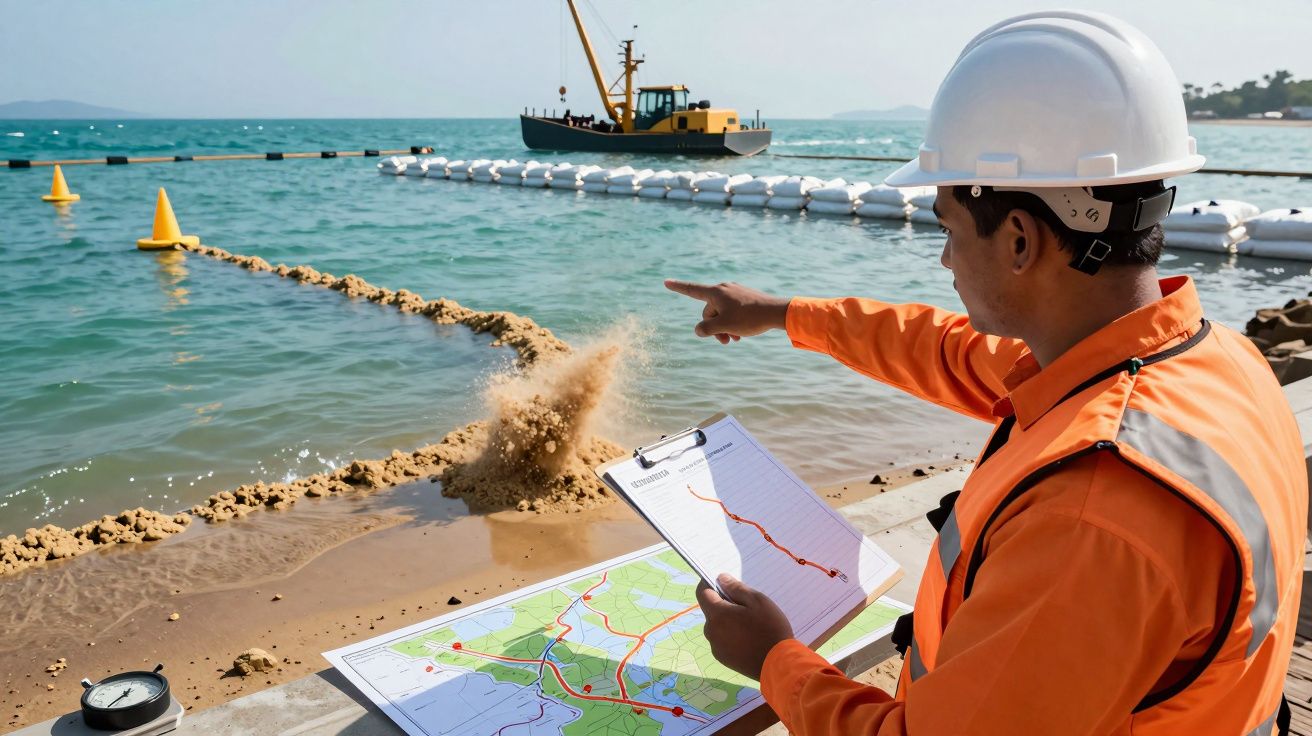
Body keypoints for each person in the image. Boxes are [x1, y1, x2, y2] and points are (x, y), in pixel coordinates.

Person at [666, 11, 1305, 736]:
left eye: (946, 227)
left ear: (1022, 239)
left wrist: (774, 658)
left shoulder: (1089, 521)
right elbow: (937, 347)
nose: (943, 261)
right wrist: (779, 313)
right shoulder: (1212, 359)